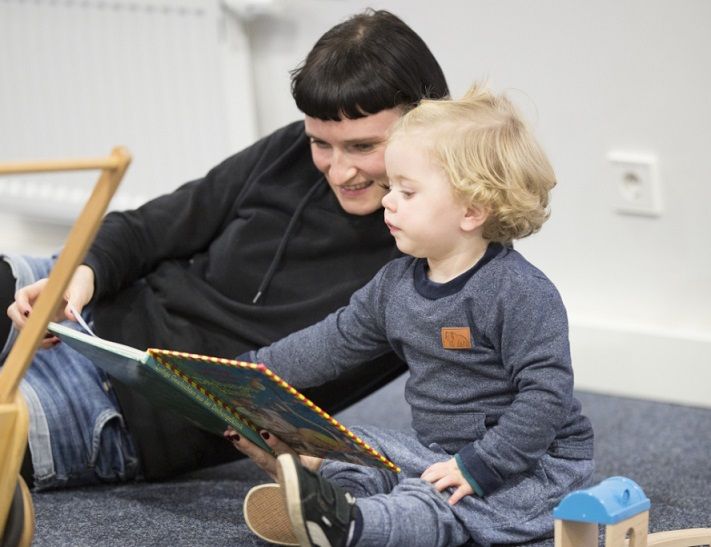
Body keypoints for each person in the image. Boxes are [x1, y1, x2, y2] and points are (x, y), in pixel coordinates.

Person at [0, 9, 449, 490]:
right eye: (322, 143)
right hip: (95, 307)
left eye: (363, 148)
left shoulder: (444, 255)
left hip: (132, 408)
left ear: (426, 124)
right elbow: (152, 226)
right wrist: (83, 273)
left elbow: (468, 421)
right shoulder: (292, 150)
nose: (338, 171)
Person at [230, 84, 595, 547]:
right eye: (389, 188)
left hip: (526, 466)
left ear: (471, 210)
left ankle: (357, 527)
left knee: (434, 504)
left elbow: (546, 397)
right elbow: (330, 342)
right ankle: (339, 503)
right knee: (354, 445)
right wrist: (248, 371)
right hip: (439, 451)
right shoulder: (394, 284)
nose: (387, 201)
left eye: (407, 191)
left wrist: (481, 466)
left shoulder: (518, 292)